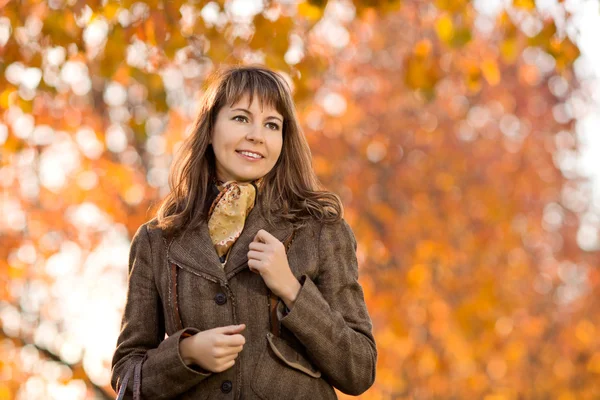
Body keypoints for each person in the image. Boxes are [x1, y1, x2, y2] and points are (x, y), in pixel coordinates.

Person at [110, 64, 377, 399]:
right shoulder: (156, 241)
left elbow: (360, 369)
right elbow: (127, 378)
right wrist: (187, 353)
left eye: (271, 124)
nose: (256, 134)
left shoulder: (321, 230)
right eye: (240, 118)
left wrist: (293, 291)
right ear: (210, 129)